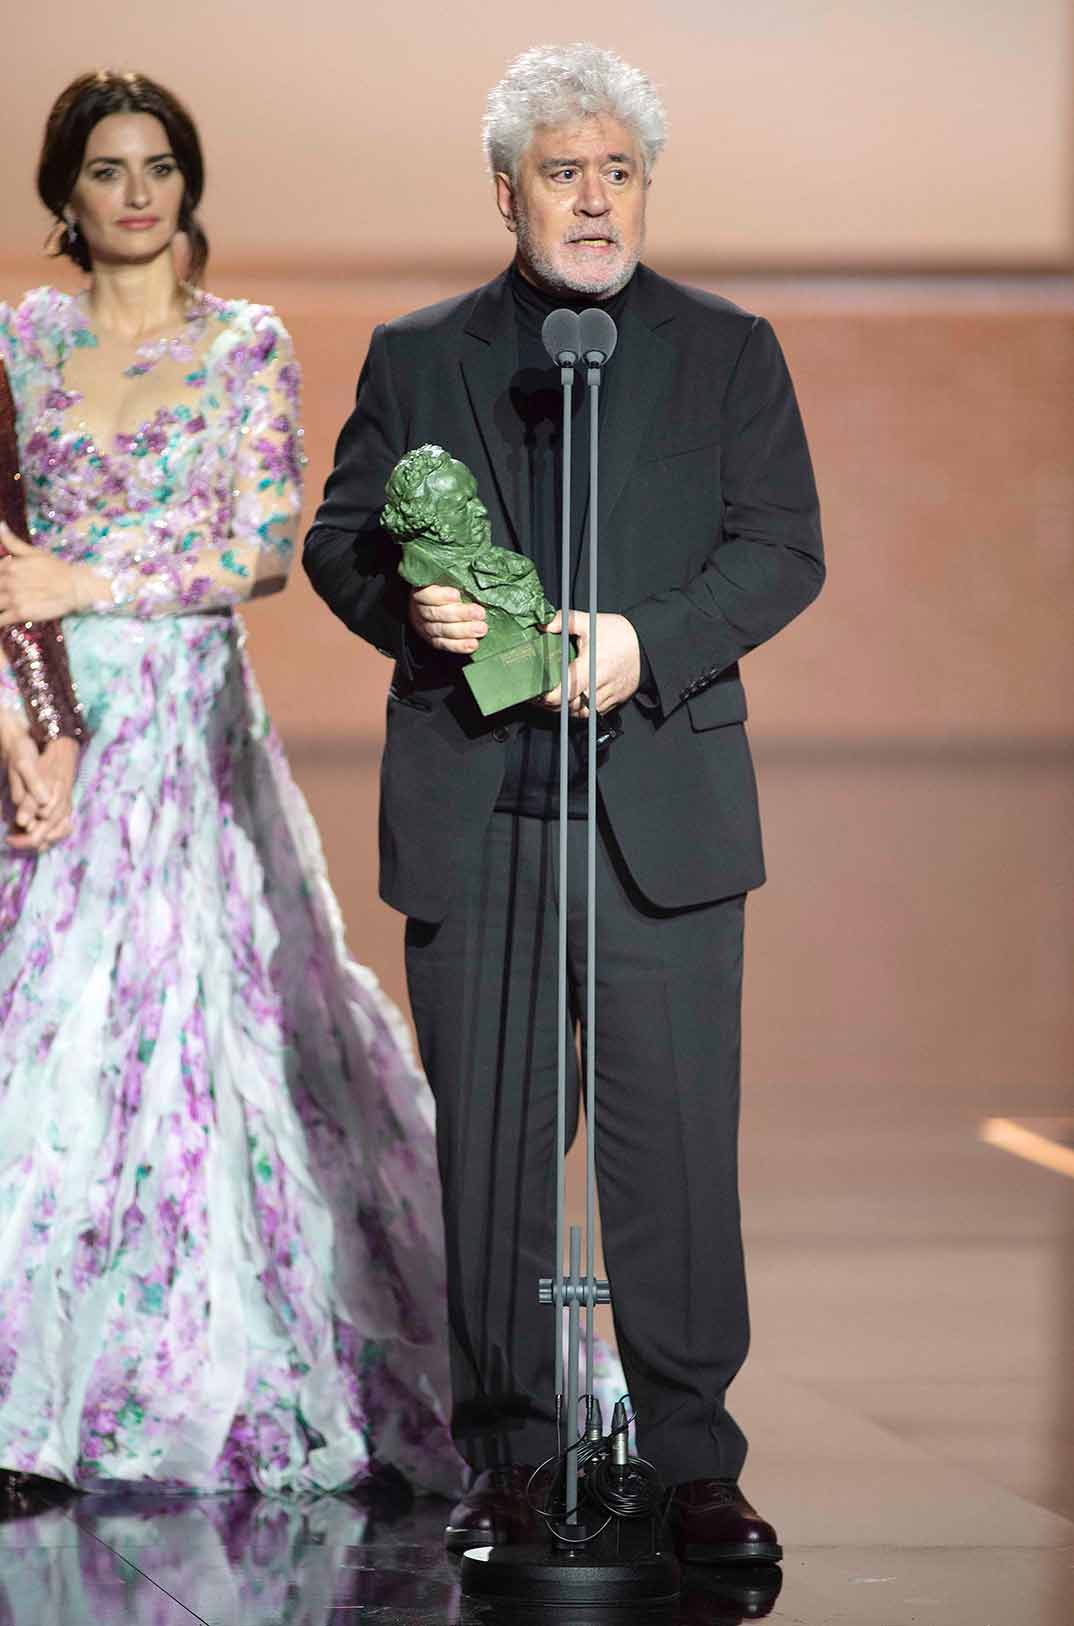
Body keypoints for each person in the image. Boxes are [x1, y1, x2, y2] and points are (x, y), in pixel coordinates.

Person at [305, 43, 825, 1563]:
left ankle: (690, 1462)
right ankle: (512, 1458)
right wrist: (413, 605)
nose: (592, 200)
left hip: (659, 808)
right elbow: (345, 541)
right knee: (494, 1154)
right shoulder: (421, 354)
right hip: (484, 809)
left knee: (673, 1152)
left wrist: (641, 639)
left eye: (617, 172)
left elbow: (781, 549)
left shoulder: (727, 348)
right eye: (561, 172)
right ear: (504, 191)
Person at [0, 69, 464, 1502]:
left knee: (201, 1025)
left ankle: (177, 1371)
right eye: (104, 169)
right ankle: (29, 1388)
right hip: (51, 712)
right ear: (64, 196)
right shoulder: (19, 341)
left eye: (157, 165)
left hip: (187, 723)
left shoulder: (244, 346)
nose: (135, 191)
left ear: (188, 184)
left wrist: (97, 576)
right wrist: (23, 709)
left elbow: (262, 547)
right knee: (41, 1025)